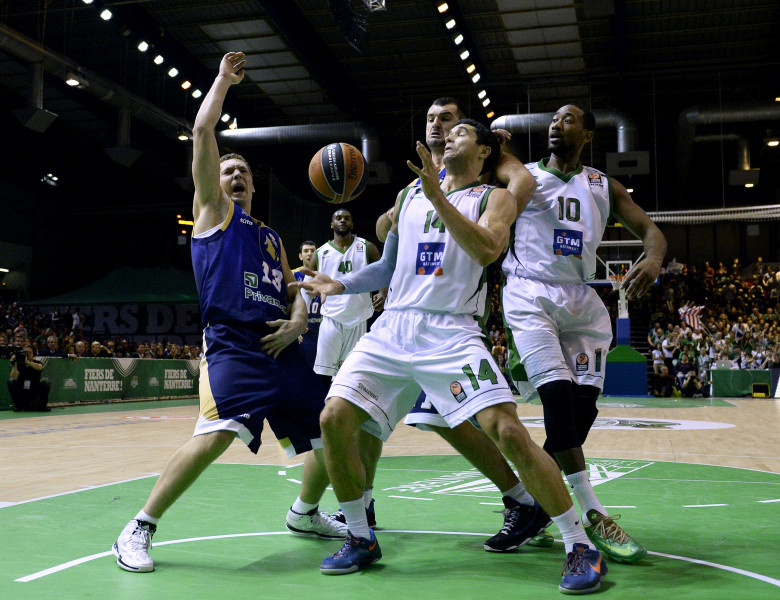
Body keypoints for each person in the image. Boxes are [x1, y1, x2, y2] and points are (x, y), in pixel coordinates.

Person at [298, 119, 607, 594]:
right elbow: (386, 266)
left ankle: (578, 542)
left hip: (451, 331)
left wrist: (438, 197)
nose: (450, 137)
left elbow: (487, 250)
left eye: (462, 132)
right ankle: (360, 535)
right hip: (393, 326)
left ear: (484, 152)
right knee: (334, 418)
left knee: (506, 430)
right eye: (448, 132)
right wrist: (341, 283)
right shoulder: (408, 198)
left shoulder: (494, 198)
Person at [111, 52, 345, 575]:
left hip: (284, 345)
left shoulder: (269, 236)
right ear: (213, 183)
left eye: (243, 172)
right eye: (227, 170)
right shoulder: (213, 214)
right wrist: (221, 81)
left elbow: (295, 288)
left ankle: (304, 513)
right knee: (217, 433)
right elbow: (200, 131)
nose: (236, 174)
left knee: (334, 426)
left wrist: (302, 318)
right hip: (233, 344)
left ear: (254, 185)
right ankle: (139, 526)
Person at [364, 97, 547, 553]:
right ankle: (362, 509)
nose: (439, 127)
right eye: (430, 119)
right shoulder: (420, 182)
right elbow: (386, 230)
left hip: (454, 317)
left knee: (484, 423)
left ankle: (533, 502)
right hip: (404, 319)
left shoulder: (486, 183)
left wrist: (497, 162)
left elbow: (516, 193)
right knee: (370, 414)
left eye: (449, 121)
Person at [501, 104, 667, 564]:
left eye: (569, 119)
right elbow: (489, 163)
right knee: (556, 401)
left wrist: (652, 258)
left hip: (581, 297)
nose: (557, 124)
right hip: (530, 292)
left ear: (589, 134)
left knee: (579, 414)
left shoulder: (603, 185)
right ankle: (592, 515)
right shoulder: (524, 177)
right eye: (553, 119)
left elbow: (651, 231)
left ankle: (537, 502)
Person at [292, 240, 322, 369]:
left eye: (313, 251)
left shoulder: (325, 275)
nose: (310, 254)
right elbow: (287, 301)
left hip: (322, 331)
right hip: (302, 332)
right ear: (300, 256)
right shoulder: (292, 275)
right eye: (306, 251)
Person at [7, 345, 50, 412]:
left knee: (46, 382)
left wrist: (28, 362)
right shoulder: (19, 364)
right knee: (11, 381)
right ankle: (18, 406)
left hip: (34, 390)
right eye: (26, 352)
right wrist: (14, 363)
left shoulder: (36, 362)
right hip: (22, 391)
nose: (28, 354)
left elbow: (40, 367)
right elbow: (13, 377)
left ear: (33, 354)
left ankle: (42, 406)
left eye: (30, 352)